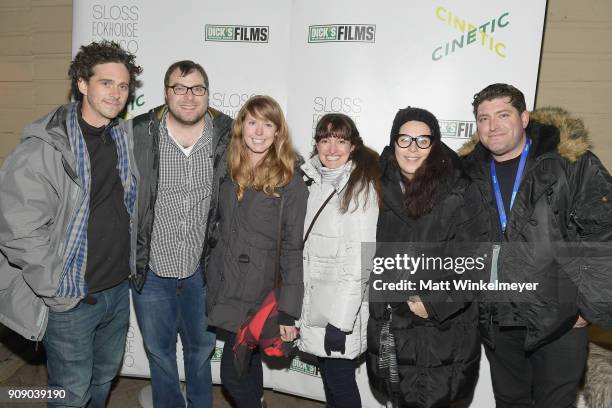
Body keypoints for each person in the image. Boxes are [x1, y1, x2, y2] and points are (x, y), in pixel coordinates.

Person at [0, 41, 141, 407]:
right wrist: (56, 289)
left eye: (123, 86)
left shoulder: (122, 138)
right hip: (71, 296)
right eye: (106, 83)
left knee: (103, 378)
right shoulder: (45, 147)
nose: (116, 93)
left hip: (115, 290)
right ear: (82, 83)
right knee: (70, 392)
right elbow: (18, 229)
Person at [459, 83, 612, 407]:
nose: (493, 126)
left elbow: (603, 230)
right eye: (484, 118)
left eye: (503, 115)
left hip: (559, 319)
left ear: (524, 118)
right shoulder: (468, 173)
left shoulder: (570, 163)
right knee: (510, 402)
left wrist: (587, 305)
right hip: (499, 318)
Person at [367, 107, 489, 407]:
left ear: (434, 145)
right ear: (393, 142)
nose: (412, 148)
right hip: (391, 325)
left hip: (441, 330)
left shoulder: (460, 190)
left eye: (422, 140)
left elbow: (479, 262)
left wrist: (433, 305)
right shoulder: (377, 185)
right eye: (404, 139)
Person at [131, 60, 232, 407]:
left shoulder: (228, 136)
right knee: (159, 352)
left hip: (201, 271)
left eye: (197, 89)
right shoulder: (139, 134)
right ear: (166, 93)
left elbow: (275, 158)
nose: (189, 97)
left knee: (201, 351)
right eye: (180, 88)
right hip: (152, 269)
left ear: (207, 93)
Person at [204, 95, 308, 407]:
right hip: (227, 285)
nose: (259, 131)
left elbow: (293, 247)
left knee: (233, 374)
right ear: (241, 127)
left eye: (268, 124)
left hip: (261, 295)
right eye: (252, 122)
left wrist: (289, 309)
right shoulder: (227, 168)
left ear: (278, 132)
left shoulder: (291, 179)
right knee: (246, 364)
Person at [297, 113, 381, 408]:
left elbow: (361, 263)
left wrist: (340, 324)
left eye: (341, 140)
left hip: (339, 311)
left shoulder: (359, 188)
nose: (332, 148)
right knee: (332, 382)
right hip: (316, 303)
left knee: (340, 384)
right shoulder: (313, 180)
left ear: (353, 146)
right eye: (325, 139)